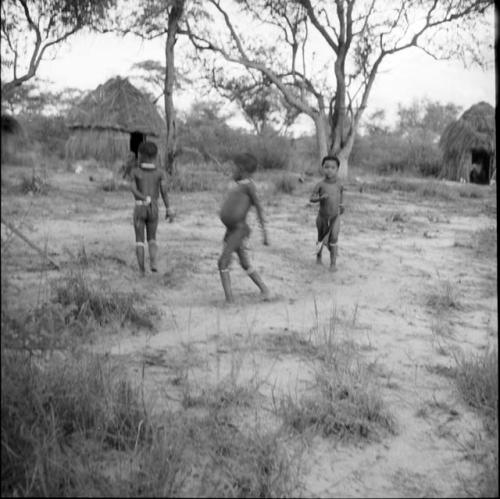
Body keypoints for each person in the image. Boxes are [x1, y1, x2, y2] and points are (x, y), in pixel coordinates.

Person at [218, 153, 270, 303]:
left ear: (241, 169)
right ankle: (265, 290)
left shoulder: (249, 186)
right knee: (244, 263)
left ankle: (229, 301)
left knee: (222, 262)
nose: (231, 171)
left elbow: (259, 208)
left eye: (233, 168)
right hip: (232, 230)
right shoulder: (240, 185)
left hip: (239, 230)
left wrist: (265, 234)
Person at [129, 141, 173, 275]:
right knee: (152, 238)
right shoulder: (160, 173)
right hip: (154, 208)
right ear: (156, 156)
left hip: (140, 209)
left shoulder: (135, 172)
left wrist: (142, 198)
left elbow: (133, 189)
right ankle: (153, 262)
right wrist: (169, 209)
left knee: (139, 241)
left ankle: (142, 271)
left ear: (140, 155)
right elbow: (164, 192)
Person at [310, 155, 344, 271]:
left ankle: (333, 264)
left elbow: (341, 194)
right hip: (322, 217)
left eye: (333, 167)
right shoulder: (320, 185)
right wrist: (320, 198)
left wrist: (341, 205)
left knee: (334, 238)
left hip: (335, 217)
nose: (329, 169)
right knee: (320, 238)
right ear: (322, 168)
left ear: (337, 169)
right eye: (326, 167)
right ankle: (319, 258)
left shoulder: (339, 184)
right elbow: (311, 198)